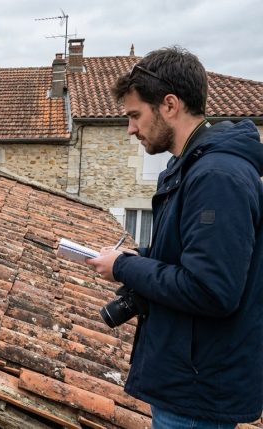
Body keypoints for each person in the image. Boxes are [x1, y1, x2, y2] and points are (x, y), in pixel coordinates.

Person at [87, 46, 263, 427]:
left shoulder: (217, 177)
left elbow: (211, 288)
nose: (130, 128)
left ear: (169, 105)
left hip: (197, 394)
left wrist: (126, 270)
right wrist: (138, 257)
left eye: (135, 115)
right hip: (189, 382)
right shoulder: (194, 168)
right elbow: (189, 254)